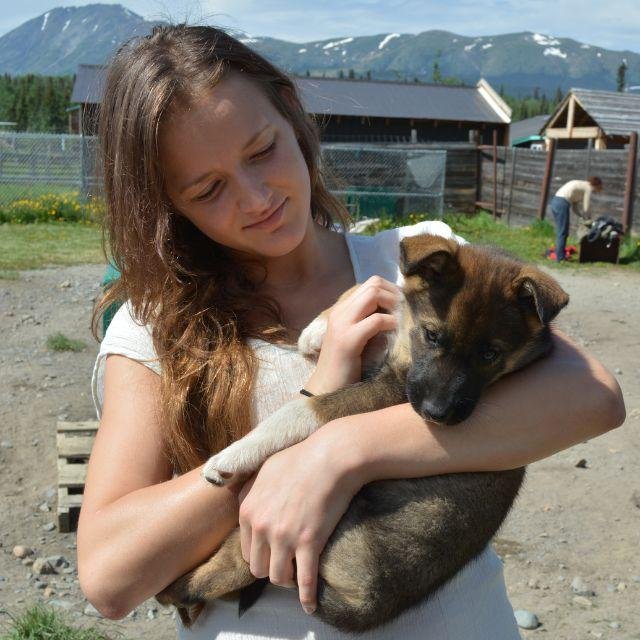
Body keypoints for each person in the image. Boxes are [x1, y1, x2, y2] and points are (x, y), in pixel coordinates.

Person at [77, 25, 625, 640]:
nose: (256, 197)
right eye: (208, 188)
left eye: (262, 151)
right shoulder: (156, 329)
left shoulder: (424, 267)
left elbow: (594, 398)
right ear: (168, 204)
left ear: (293, 115)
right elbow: (109, 577)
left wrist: (342, 451)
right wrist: (320, 399)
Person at [550, 177, 603, 262]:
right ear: (596, 185)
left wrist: (581, 217)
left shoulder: (580, 187)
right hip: (562, 203)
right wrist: (588, 219)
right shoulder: (588, 187)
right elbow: (586, 206)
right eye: (598, 188)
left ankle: (559, 254)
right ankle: (560, 258)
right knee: (563, 232)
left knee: (562, 231)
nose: (597, 191)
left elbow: (575, 207)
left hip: (555, 202)